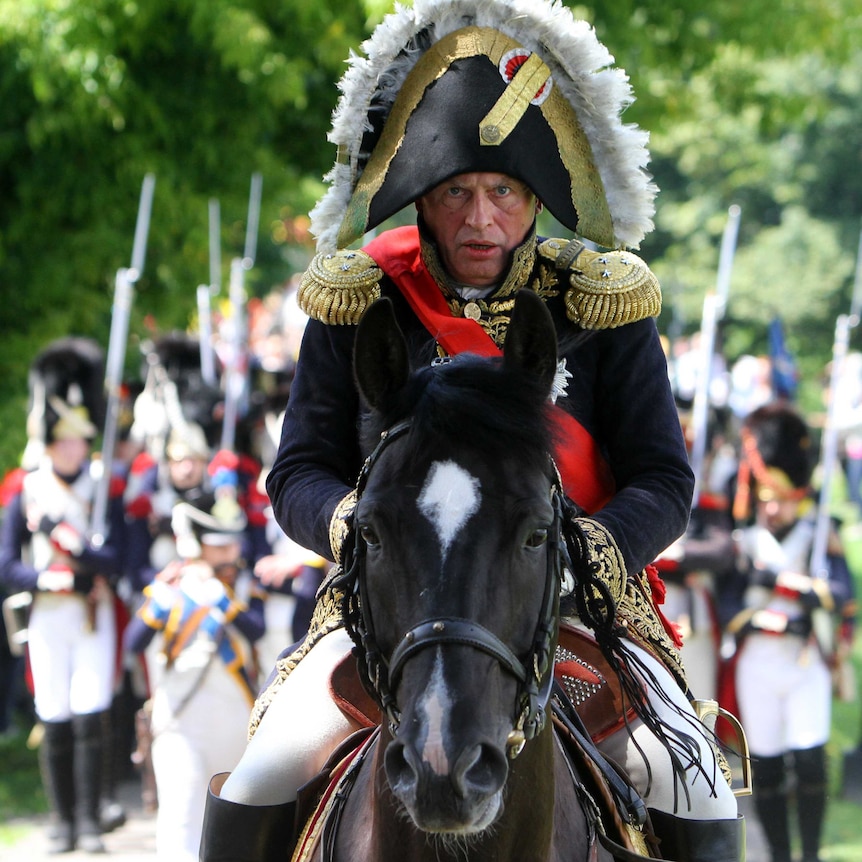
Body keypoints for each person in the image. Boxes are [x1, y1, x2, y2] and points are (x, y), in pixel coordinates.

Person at [201, 2, 743, 860]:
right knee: (264, 772)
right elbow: (299, 467)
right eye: (458, 192)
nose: (480, 218)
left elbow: (664, 481)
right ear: (425, 197)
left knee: (695, 785)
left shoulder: (600, 303)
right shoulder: (359, 299)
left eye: (503, 193)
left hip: (574, 604)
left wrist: (582, 549)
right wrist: (354, 528)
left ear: (535, 200)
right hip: (389, 603)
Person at [0, 337, 125, 854]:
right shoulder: (24, 490)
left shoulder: (100, 488)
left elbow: (114, 560)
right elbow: (7, 564)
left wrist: (68, 538)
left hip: (93, 613)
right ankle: (62, 822)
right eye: (64, 441)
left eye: (78, 440)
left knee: (90, 711)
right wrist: (48, 579)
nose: (73, 448)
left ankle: (91, 819)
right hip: (49, 614)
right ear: (49, 442)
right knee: (53, 713)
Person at [725, 402, 856, 862]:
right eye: (767, 498)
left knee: (811, 763)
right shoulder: (745, 540)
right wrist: (765, 608)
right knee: (769, 768)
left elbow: (841, 591)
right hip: (758, 663)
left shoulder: (823, 533)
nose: (773, 506)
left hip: (805, 662)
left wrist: (802, 600)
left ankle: (813, 853)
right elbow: (730, 601)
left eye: (781, 498)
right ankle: (781, 855)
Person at [124, 497, 265, 862]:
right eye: (220, 545)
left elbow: (257, 631)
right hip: (181, 721)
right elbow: (133, 642)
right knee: (180, 822)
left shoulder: (245, 584)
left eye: (232, 543)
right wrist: (162, 598)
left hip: (236, 718)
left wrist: (221, 600)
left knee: (236, 822)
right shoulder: (170, 584)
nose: (230, 551)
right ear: (197, 545)